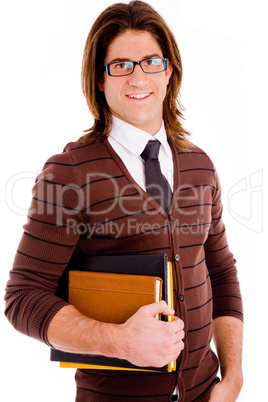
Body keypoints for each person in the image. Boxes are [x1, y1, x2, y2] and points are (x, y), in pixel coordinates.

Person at [4, 1, 243, 401]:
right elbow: (23, 296)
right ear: (100, 79)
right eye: (121, 65)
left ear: (169, 71)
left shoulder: (200, 165)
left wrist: (233, 378)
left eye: (151, 61)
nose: (138, 77)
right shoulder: (70, 174)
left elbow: (221, 272)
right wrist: (119, 342)